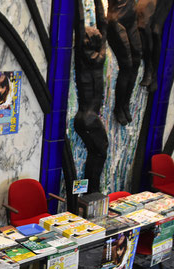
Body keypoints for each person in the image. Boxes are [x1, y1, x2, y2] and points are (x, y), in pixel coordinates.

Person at [73, 0, 109, 193]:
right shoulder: (98, 57)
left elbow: (82, 23)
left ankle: (90, 190)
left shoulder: (84, 58)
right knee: (101, 151)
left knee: (96, 153)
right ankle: (92, 190)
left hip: (84, 116)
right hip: (90, 117)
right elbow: (102, 24)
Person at [107, 0, 142, 125]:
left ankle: (125, 104)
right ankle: (118, 108)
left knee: (137, 59)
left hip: (130, 16)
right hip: (117, 20)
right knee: (126, 66)